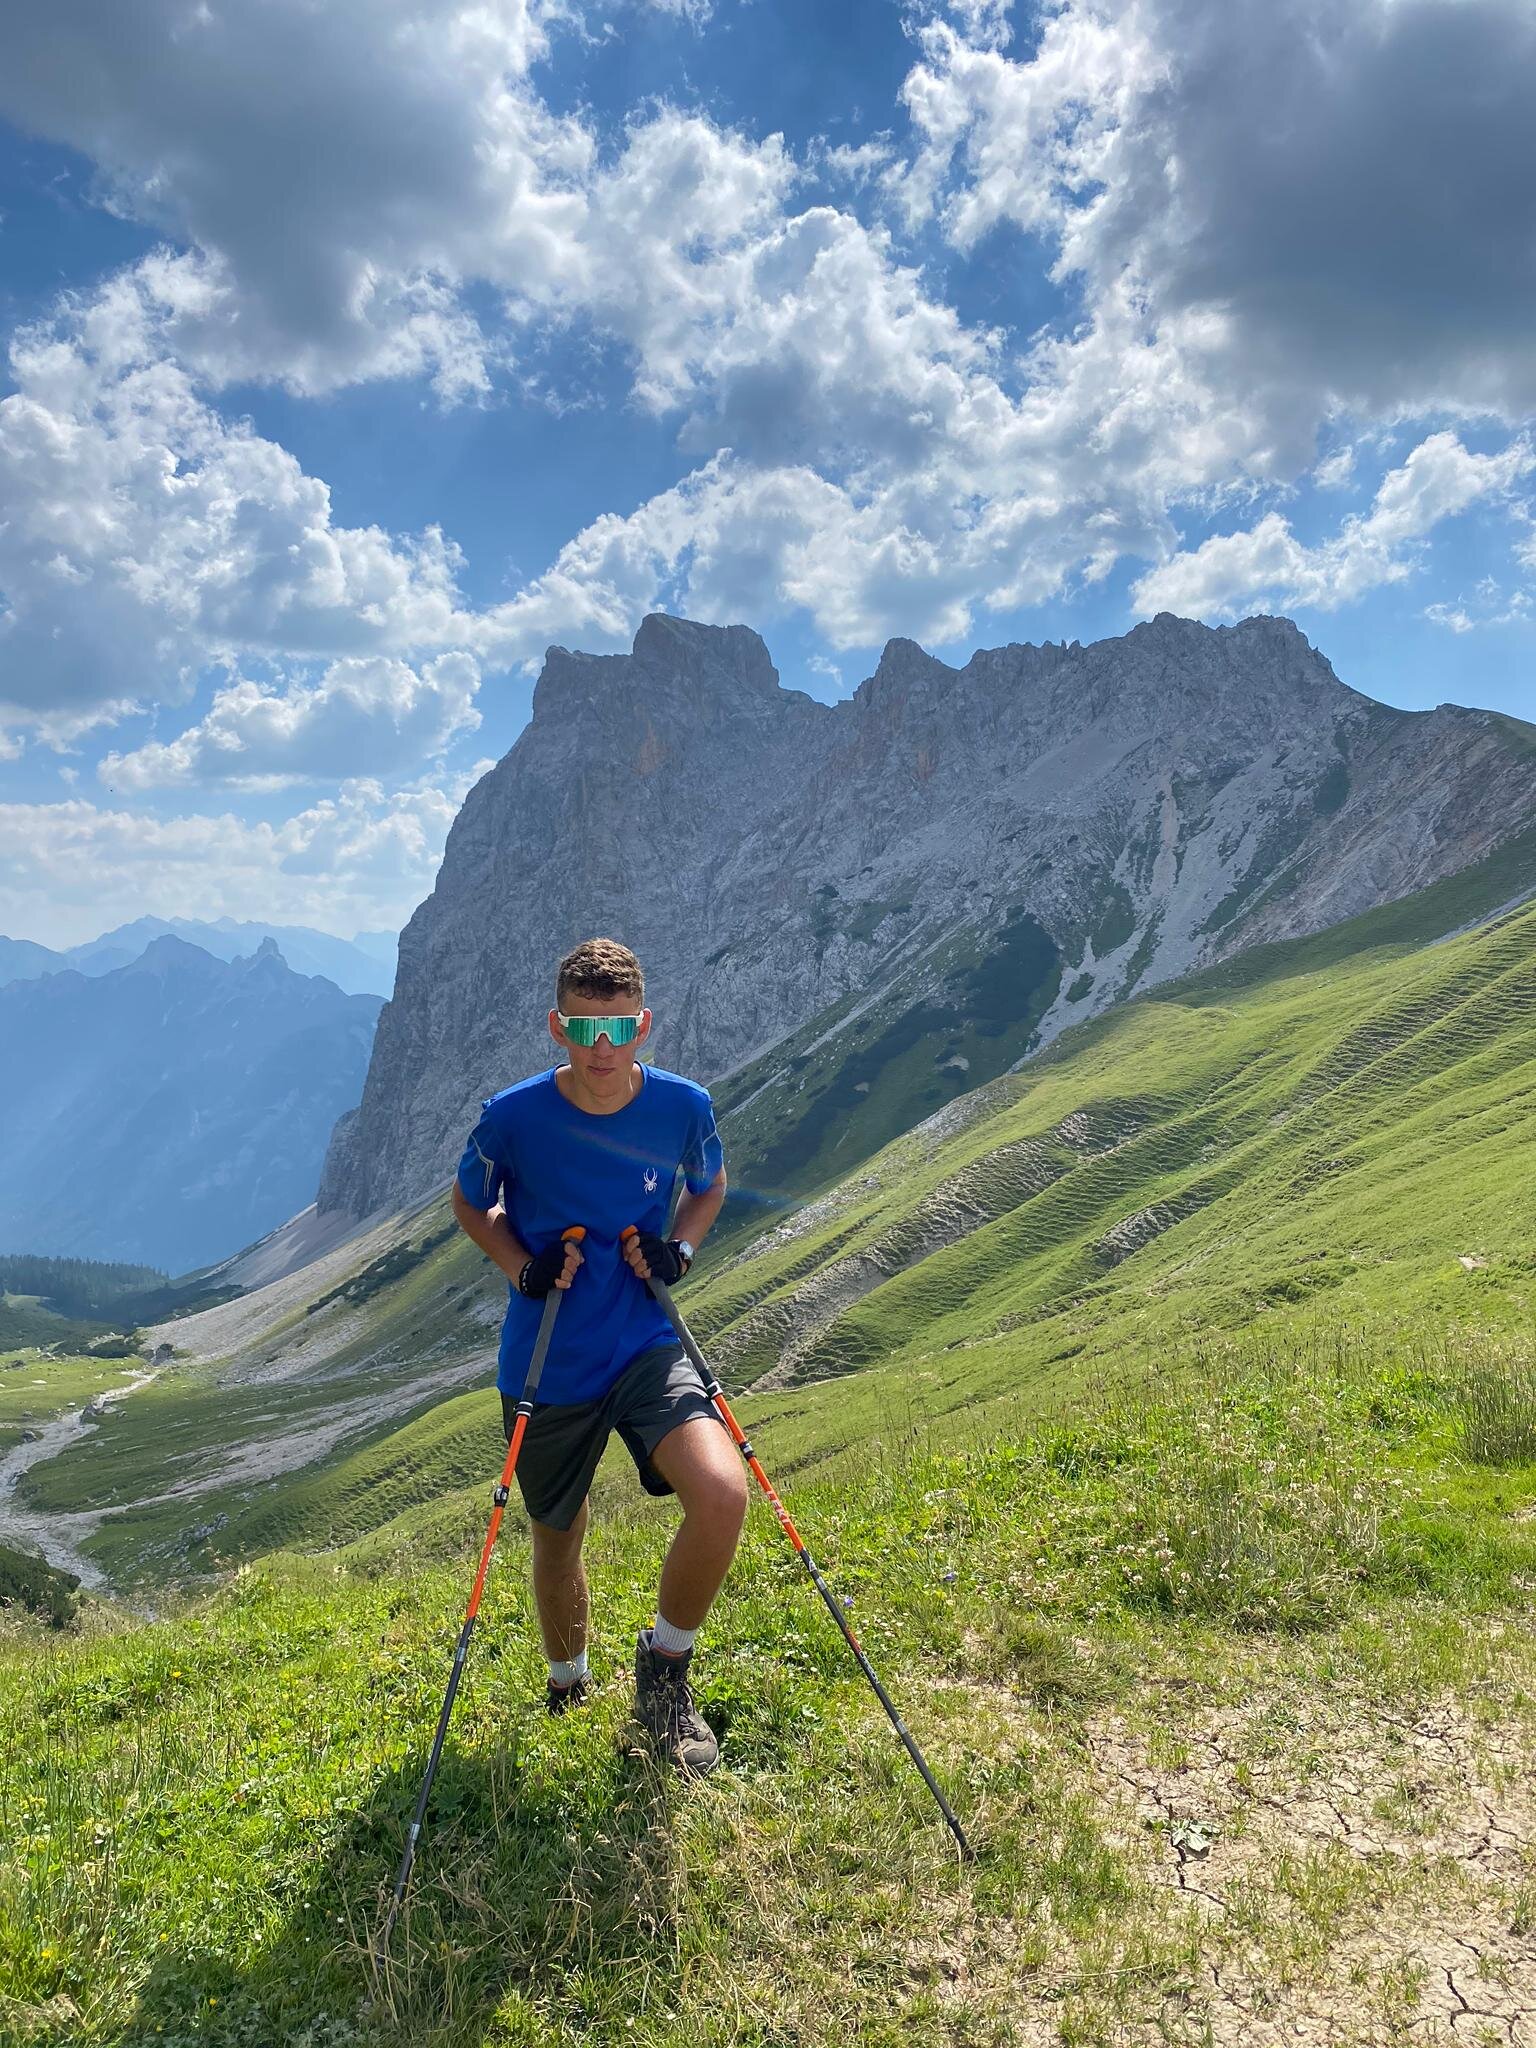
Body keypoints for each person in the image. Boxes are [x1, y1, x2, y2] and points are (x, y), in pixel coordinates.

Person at [449, 936, 745, 1774]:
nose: (603, 1049)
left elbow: (709, 1185)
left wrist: (679, 1252)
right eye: (585, 1030)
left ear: (644, 1025)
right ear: (558, 1028)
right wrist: (524, 1267)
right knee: (558, 1536)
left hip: (646, 1340)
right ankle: (568, 1684)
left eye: (618, 1029)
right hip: (550, 1359)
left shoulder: (684, 1106)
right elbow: (472, 1205)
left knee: (721, 1496)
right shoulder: (512, 1116)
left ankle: (665, 1675)